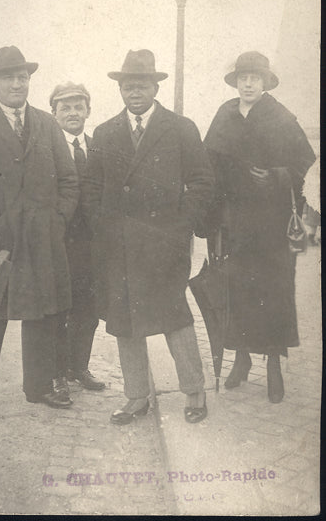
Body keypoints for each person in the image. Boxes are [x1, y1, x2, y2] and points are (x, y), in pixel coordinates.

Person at [82, 49, 215, 424]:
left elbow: (202, 181)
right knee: (126, 322)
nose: (134, 91)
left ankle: (194, 390)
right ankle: (137, 396)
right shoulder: (105, 132)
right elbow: (92, 186)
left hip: (164, 241)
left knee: (175, 316)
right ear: (120, 89)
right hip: (120, 245)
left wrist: (180, 225)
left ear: (155, 87)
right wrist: (103, 225)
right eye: (128, 85)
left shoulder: (180, 128)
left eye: (141, 85)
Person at [0, 46, 80, 418]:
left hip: (42, 242)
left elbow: (69, 182)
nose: (17, 84)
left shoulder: (47, 124)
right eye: (9, 77)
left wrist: (56, 220)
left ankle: (38, 388)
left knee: (42, 315)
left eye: (23, 77)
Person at [204, 51, 316, 403]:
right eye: (243, 77)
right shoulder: (224, 114)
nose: (248, 83)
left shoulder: (281, 117)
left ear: (266, 82)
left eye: (255, 77)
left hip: (271, 226)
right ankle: (240, 360)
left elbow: (305, 168)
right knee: (235, 292)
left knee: (273, 293)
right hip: (234, 222)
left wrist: (277, 176)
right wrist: (212, 220)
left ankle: (273, 365)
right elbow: (208, 165)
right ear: (236, 82)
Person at [49, 81, 105, 391]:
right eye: (65, 107)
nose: (73, 112)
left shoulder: (98, 146)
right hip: (58, 244)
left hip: (91, 246)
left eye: (78, 106)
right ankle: (56, 373)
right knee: (58, 311)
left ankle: (79, 368)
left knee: (88, 310)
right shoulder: (44, 147)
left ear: (88, 110)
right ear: (53, 112)